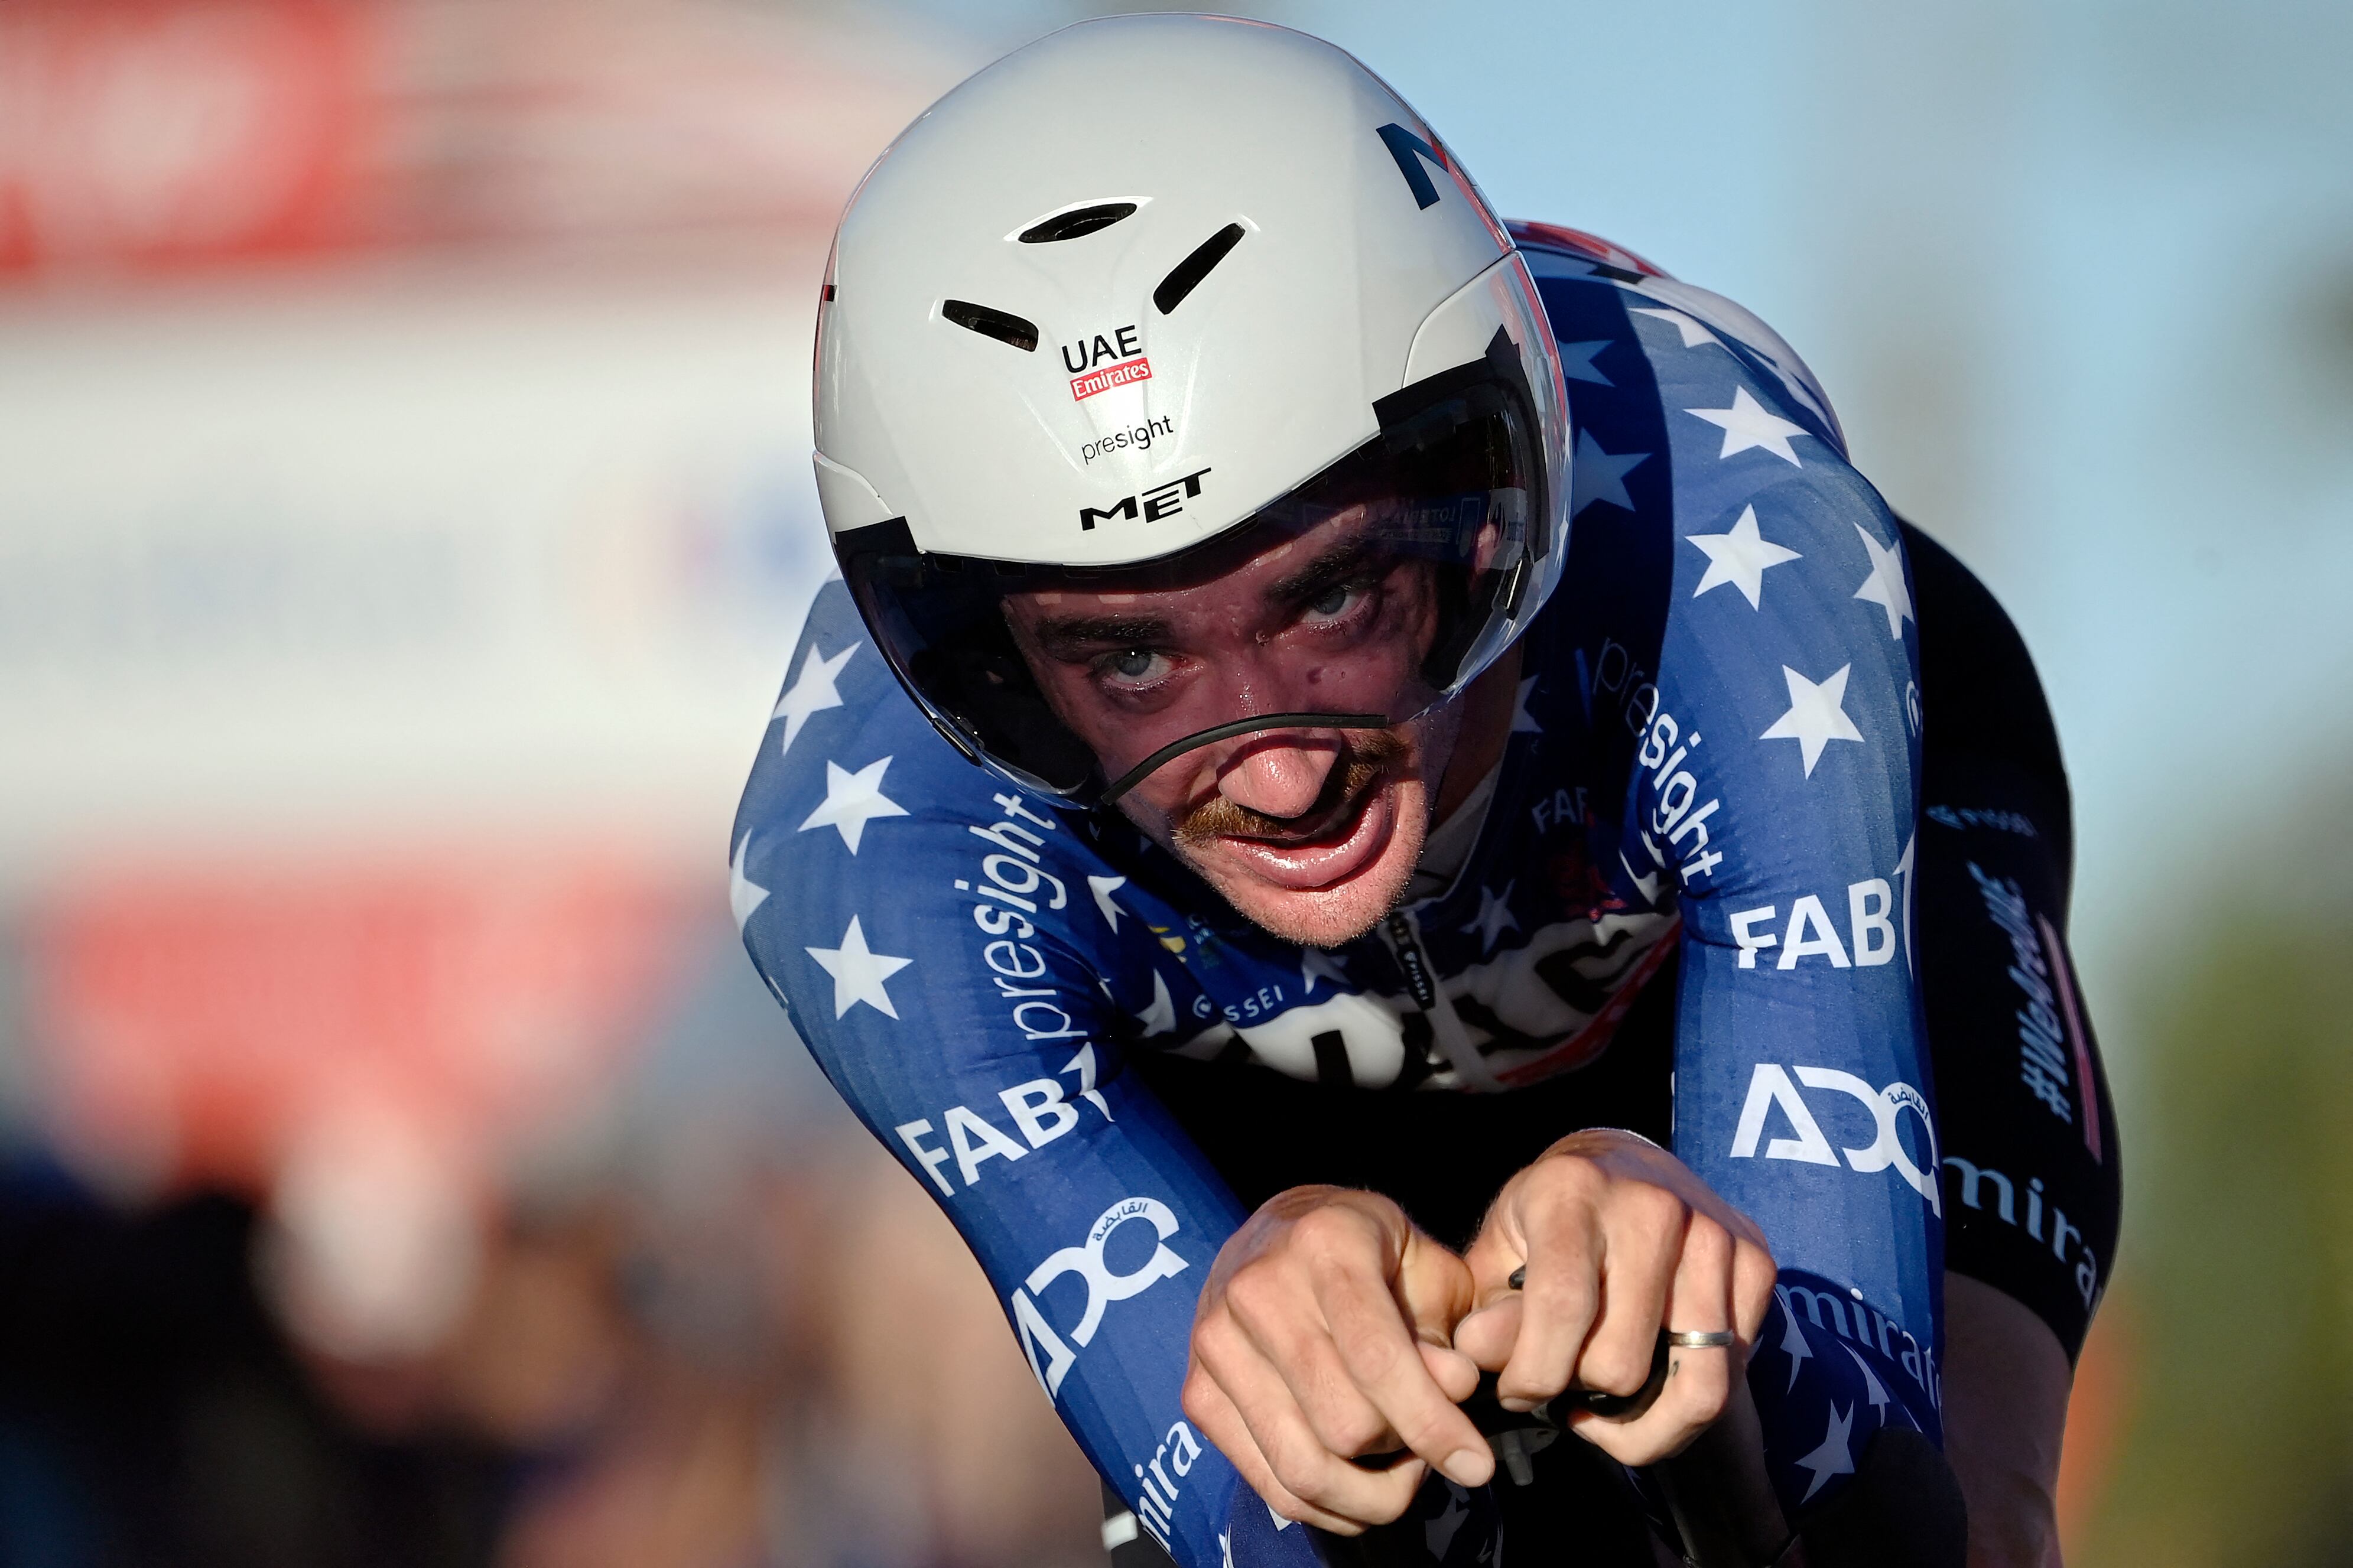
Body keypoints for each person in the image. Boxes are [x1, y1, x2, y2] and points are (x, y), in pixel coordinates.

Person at [730, 15, 2118, 1567]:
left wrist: (1682, 1279)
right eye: (1128, 660)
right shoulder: (875, 845)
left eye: (1332, 597)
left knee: (1957, 1524)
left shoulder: (1746, 570)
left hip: (1716, 950)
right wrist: (1282, 1287)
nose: (1279, 772)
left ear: (1486, 497)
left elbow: (1875, 1493)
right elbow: (1249, 1526)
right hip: (1269, 1106)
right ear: (980, 663)